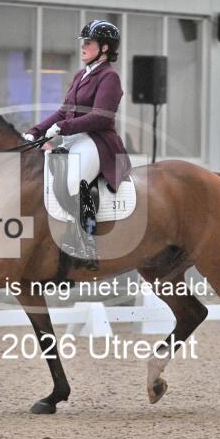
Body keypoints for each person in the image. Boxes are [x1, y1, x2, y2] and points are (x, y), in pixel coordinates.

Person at [22, 20, 131, 270]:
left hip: (97, 141)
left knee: (73, 181)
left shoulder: (110, 77)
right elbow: (64, 111)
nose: (83, 47)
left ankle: (86, 243)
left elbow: (101, 116)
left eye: (88, 43)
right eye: (83, 42)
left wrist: (64, 127)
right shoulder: (81, 75)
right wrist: (34, 131)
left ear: (104, 48)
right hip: (74, 138)